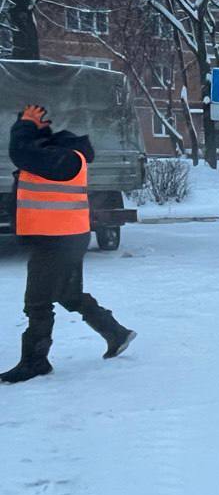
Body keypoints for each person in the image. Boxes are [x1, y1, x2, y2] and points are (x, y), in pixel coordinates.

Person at [3, 105, 136, 384]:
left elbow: (21, 152)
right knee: (68, 294)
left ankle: (35, 361)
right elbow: (30, 153)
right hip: (64, 238)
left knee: (38, 302)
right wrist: (32, 126)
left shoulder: (67, 158)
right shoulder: (59, 157)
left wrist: (25, 125)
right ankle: (116, 332)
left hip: (56, 240)